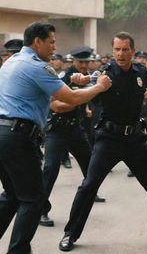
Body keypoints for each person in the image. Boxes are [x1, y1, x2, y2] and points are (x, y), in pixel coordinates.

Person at [0, 21, 111, 254]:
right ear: (37, 42)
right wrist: (99, 86)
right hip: (19, 137)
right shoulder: (37, 67)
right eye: (51, 42)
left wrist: (76, 82)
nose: (54, 47)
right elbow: (70, 100)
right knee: (32, 199)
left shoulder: (11, 62)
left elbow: (50, 96)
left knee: (11, 196)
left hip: (4, 134)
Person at [58, 31, 147, 252]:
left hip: (136, 140)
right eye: (117, 49)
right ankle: (70, 234)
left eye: (125, 49)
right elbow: (86, 81)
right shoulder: (105, 73)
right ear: (113, 51)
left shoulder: (142, 71)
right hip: (109, 139)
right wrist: (80, 79)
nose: (121, 53)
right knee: (89, 186)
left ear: (133, 51)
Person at [40, 46, 106, 227]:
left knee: (90, 164)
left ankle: (90, 192)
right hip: (58, 130)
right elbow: (56, 106)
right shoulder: (63, 77)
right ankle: (41, 210)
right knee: (50, 169)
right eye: (81, 62)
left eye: (87, 61)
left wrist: (82, 103)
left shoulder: (89, 78)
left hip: (75, 129)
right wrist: (79, 99)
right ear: (74, 61)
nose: (85, 65)